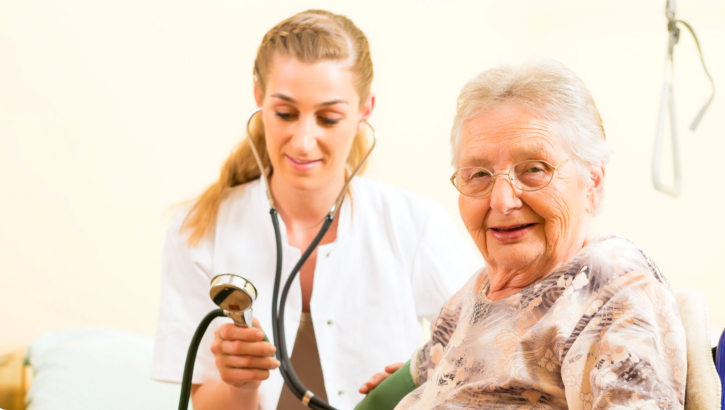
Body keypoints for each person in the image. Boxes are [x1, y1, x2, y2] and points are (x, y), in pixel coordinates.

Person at [151, 10, 479, 410]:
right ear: (259, 98)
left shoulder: (414, 223)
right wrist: (238, 384)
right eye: (286, 113)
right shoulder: (198, 230)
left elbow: (494, 345)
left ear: (364, 112)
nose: (303, 141)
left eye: (328, 118)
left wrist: (426, 385)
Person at [359, 59, 687, 409]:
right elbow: (412, 376)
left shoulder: (608, 288)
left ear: (592, 183)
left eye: (534, 169)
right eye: (479, 174)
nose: (501, 201)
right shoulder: (478, 290)